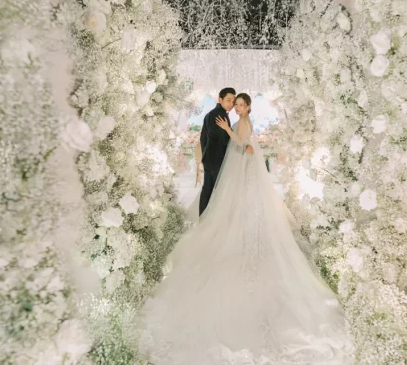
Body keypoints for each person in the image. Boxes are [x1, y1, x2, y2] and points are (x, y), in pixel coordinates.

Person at [139, 93, 354, 365]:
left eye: (241, 105)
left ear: (248, 107)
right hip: (244, 173)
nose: (238, 107)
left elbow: (242, 144)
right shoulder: (239, 119)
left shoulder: (241, 122)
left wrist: (230, 130)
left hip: (245, 172)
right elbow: (244, 146)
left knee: (242, 213)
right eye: (236, 104)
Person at [199, 87, 250, 216]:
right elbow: (224, 140)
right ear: (220, 99)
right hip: (218, 160)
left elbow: (203, 137)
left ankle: (203, 219)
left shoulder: (210, 114)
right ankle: (213, 220)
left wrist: (206, 153)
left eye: (234, 101)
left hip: (209, 159)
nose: (232, 104)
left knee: (207, 189)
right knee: (218, 192)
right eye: (229, 100)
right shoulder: (220, 116)